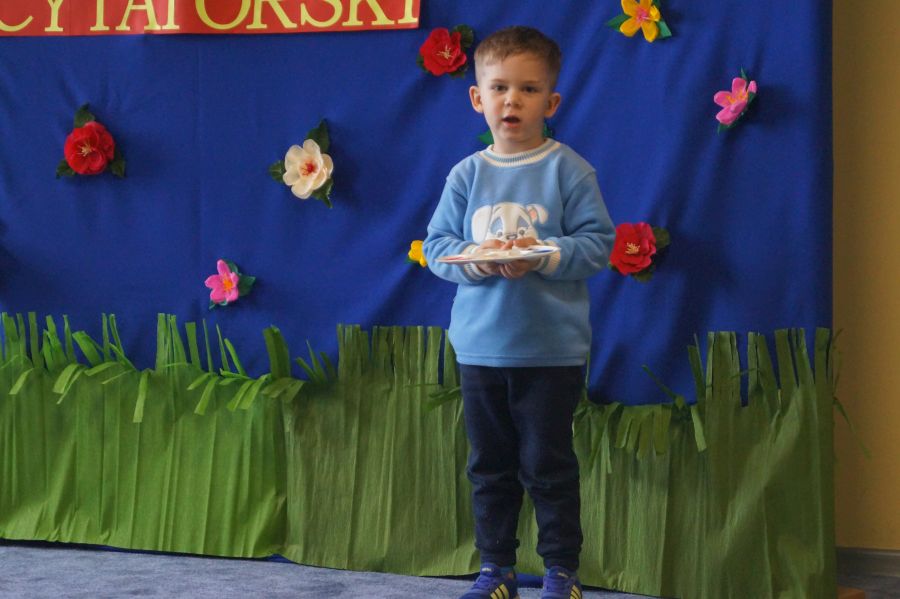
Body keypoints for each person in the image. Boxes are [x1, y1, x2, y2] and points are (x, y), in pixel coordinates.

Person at [423, 25, 616, 599]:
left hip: (552, 350)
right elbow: (437, 247)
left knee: (548, 465)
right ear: (477, 97)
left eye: (528, 90)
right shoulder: (466, 175)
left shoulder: (569, 170)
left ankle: (561, 571)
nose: (513, 100)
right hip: (480, 349)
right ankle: (496, 569)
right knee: (489, 467)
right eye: (500, 88)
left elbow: (598, 245)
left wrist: (544, 255)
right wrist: (478, 261)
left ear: (551, 103)